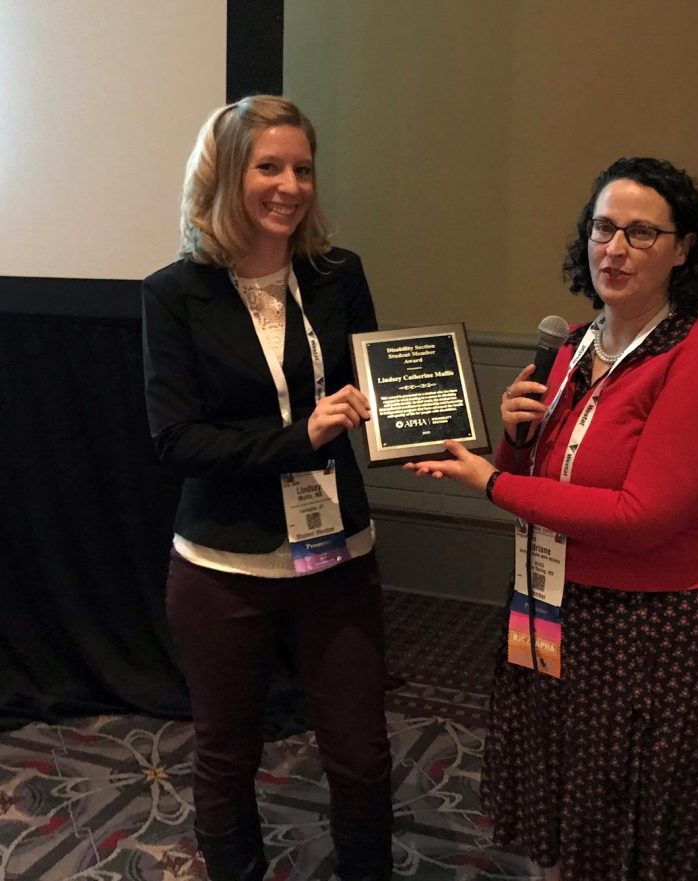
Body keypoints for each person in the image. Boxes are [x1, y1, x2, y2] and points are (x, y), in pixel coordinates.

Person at [405, 156, 698, 880]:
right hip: (554, 601)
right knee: (564, 791)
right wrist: (514, 434)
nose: (614, 249)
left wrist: (492, 482)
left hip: (650, 626)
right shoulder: (571, 347)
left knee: (632, 813)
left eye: (641, 233)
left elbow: (640, 517)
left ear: (684, 248)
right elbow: (542, 477)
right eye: (603, 228)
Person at [141, 96, 392, 881]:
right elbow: (177, 439)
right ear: (225, 177)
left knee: (360, 754)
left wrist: (408, 416)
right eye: (269, 167)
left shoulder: (338, 273)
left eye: (303, 168)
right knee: (225, 755)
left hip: (338, 555)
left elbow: (369, 384)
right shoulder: (173, 293)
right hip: (224, 564)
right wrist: (302, 437)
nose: (290, 185)